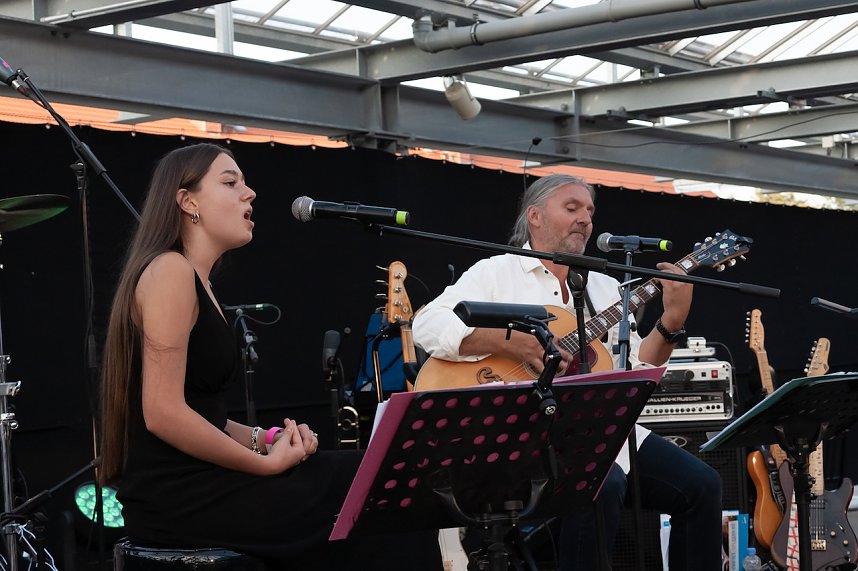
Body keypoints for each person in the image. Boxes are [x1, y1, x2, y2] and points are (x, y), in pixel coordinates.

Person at [99, 143, 442, 570]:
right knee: (387, 487)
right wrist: (262, 465)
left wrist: (267, 439)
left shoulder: (196, 281)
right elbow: (163, 413)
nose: (250, 193)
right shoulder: (170, 271)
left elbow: (203, 415)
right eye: (230, 183)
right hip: (181, 497)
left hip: (202, 486)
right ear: (187, 201)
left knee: (382, 479)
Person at [412, 174, 723, 570]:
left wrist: (671, 322)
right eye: (572, 208)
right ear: (535, 216)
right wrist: (508, 342)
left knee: (702, 486)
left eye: (590, 211)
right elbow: (427, 325)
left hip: (594, 430)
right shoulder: (496, 273)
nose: (585, 219)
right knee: (601, 485)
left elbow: (634, 371)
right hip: (518, 434)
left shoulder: (605, 287)